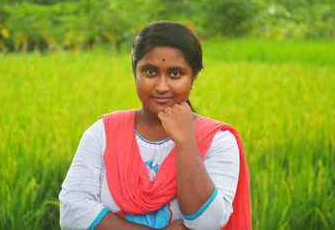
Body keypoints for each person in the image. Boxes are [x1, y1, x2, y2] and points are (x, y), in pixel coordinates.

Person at [59, 21, 251, 230]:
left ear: (193, 76)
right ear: (134, 72)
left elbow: (207, 222)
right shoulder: (103, 133)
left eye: (175, 73)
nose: (161, 87)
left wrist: (186, 140)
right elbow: (72, 213)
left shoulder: (218, 140)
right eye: (150, 72)